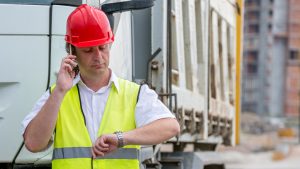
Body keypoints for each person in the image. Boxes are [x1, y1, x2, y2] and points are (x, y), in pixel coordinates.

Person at [21, 4, 180, 169]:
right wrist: (60, 90)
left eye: (102, 48)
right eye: (88, 50)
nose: (98, 57)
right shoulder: (57, 95)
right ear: (72, 52)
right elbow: (33, 144)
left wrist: (121, 138)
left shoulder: (135, 93)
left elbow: (170, 127)